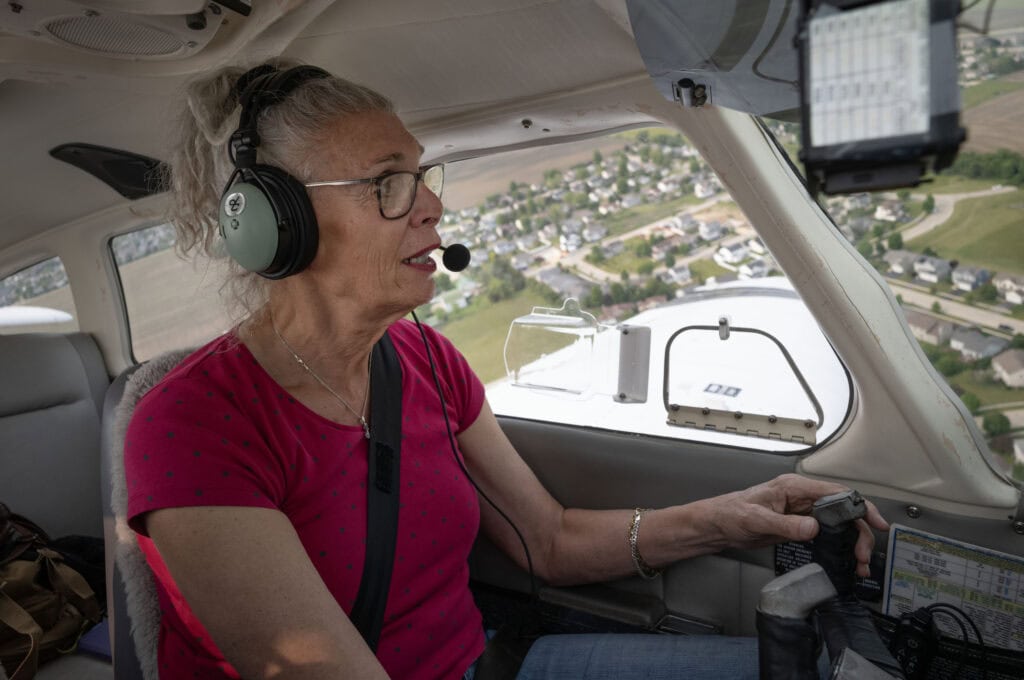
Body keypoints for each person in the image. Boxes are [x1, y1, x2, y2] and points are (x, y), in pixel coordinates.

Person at [124, 60, 889, 680]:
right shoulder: (192, 426)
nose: (430, 206)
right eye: (387, 181)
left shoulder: (426, 360)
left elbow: (548, 541)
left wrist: (739, 513)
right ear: (270, 222)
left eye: (422, 175)